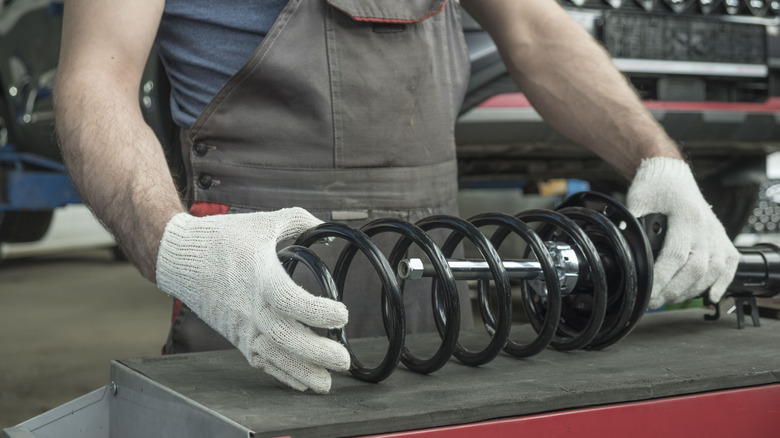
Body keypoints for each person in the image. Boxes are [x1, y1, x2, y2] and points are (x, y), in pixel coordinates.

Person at [53, 0, 739, 394]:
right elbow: (95, 79)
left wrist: (659, 161)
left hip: (438, 302)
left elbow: (533, 30)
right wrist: (180, 248)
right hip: (255, 299)